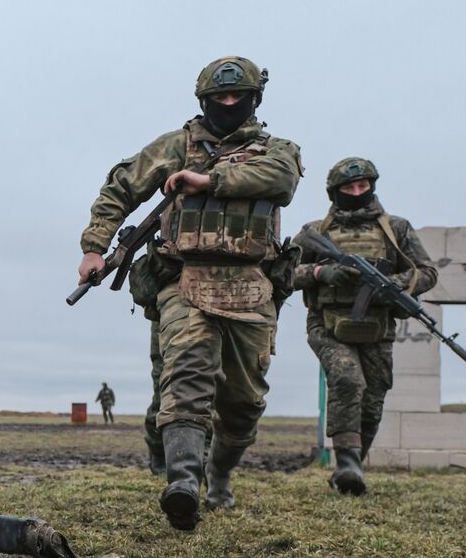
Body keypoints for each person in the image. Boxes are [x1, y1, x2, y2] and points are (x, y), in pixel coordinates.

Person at [77, 56, 302, 530]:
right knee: (184, 378)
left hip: (251, 286)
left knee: (243, 402)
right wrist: (95, 247)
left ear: (254, 99)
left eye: (236, 96)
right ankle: (183, 481)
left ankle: (219, 472)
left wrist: (209, 180)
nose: (227, 104)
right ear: (203, 100)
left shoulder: (276, 149)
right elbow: (121, 186)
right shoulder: (175, 146)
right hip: (184, 280)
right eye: (218, 98)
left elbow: (280, 181)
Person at [291, 157, 438, 494]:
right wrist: (320, 273)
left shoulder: (396, 228)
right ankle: (346, 462)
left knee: (373, 396)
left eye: (363, 186)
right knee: (346, 379)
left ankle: (352, 469)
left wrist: (392, 285)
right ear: (335, 192)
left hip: (377, 325)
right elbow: (283, 273)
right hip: (327, 324)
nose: (357, 192)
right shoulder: (316, 232)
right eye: (348, 187)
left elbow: (426, 271)